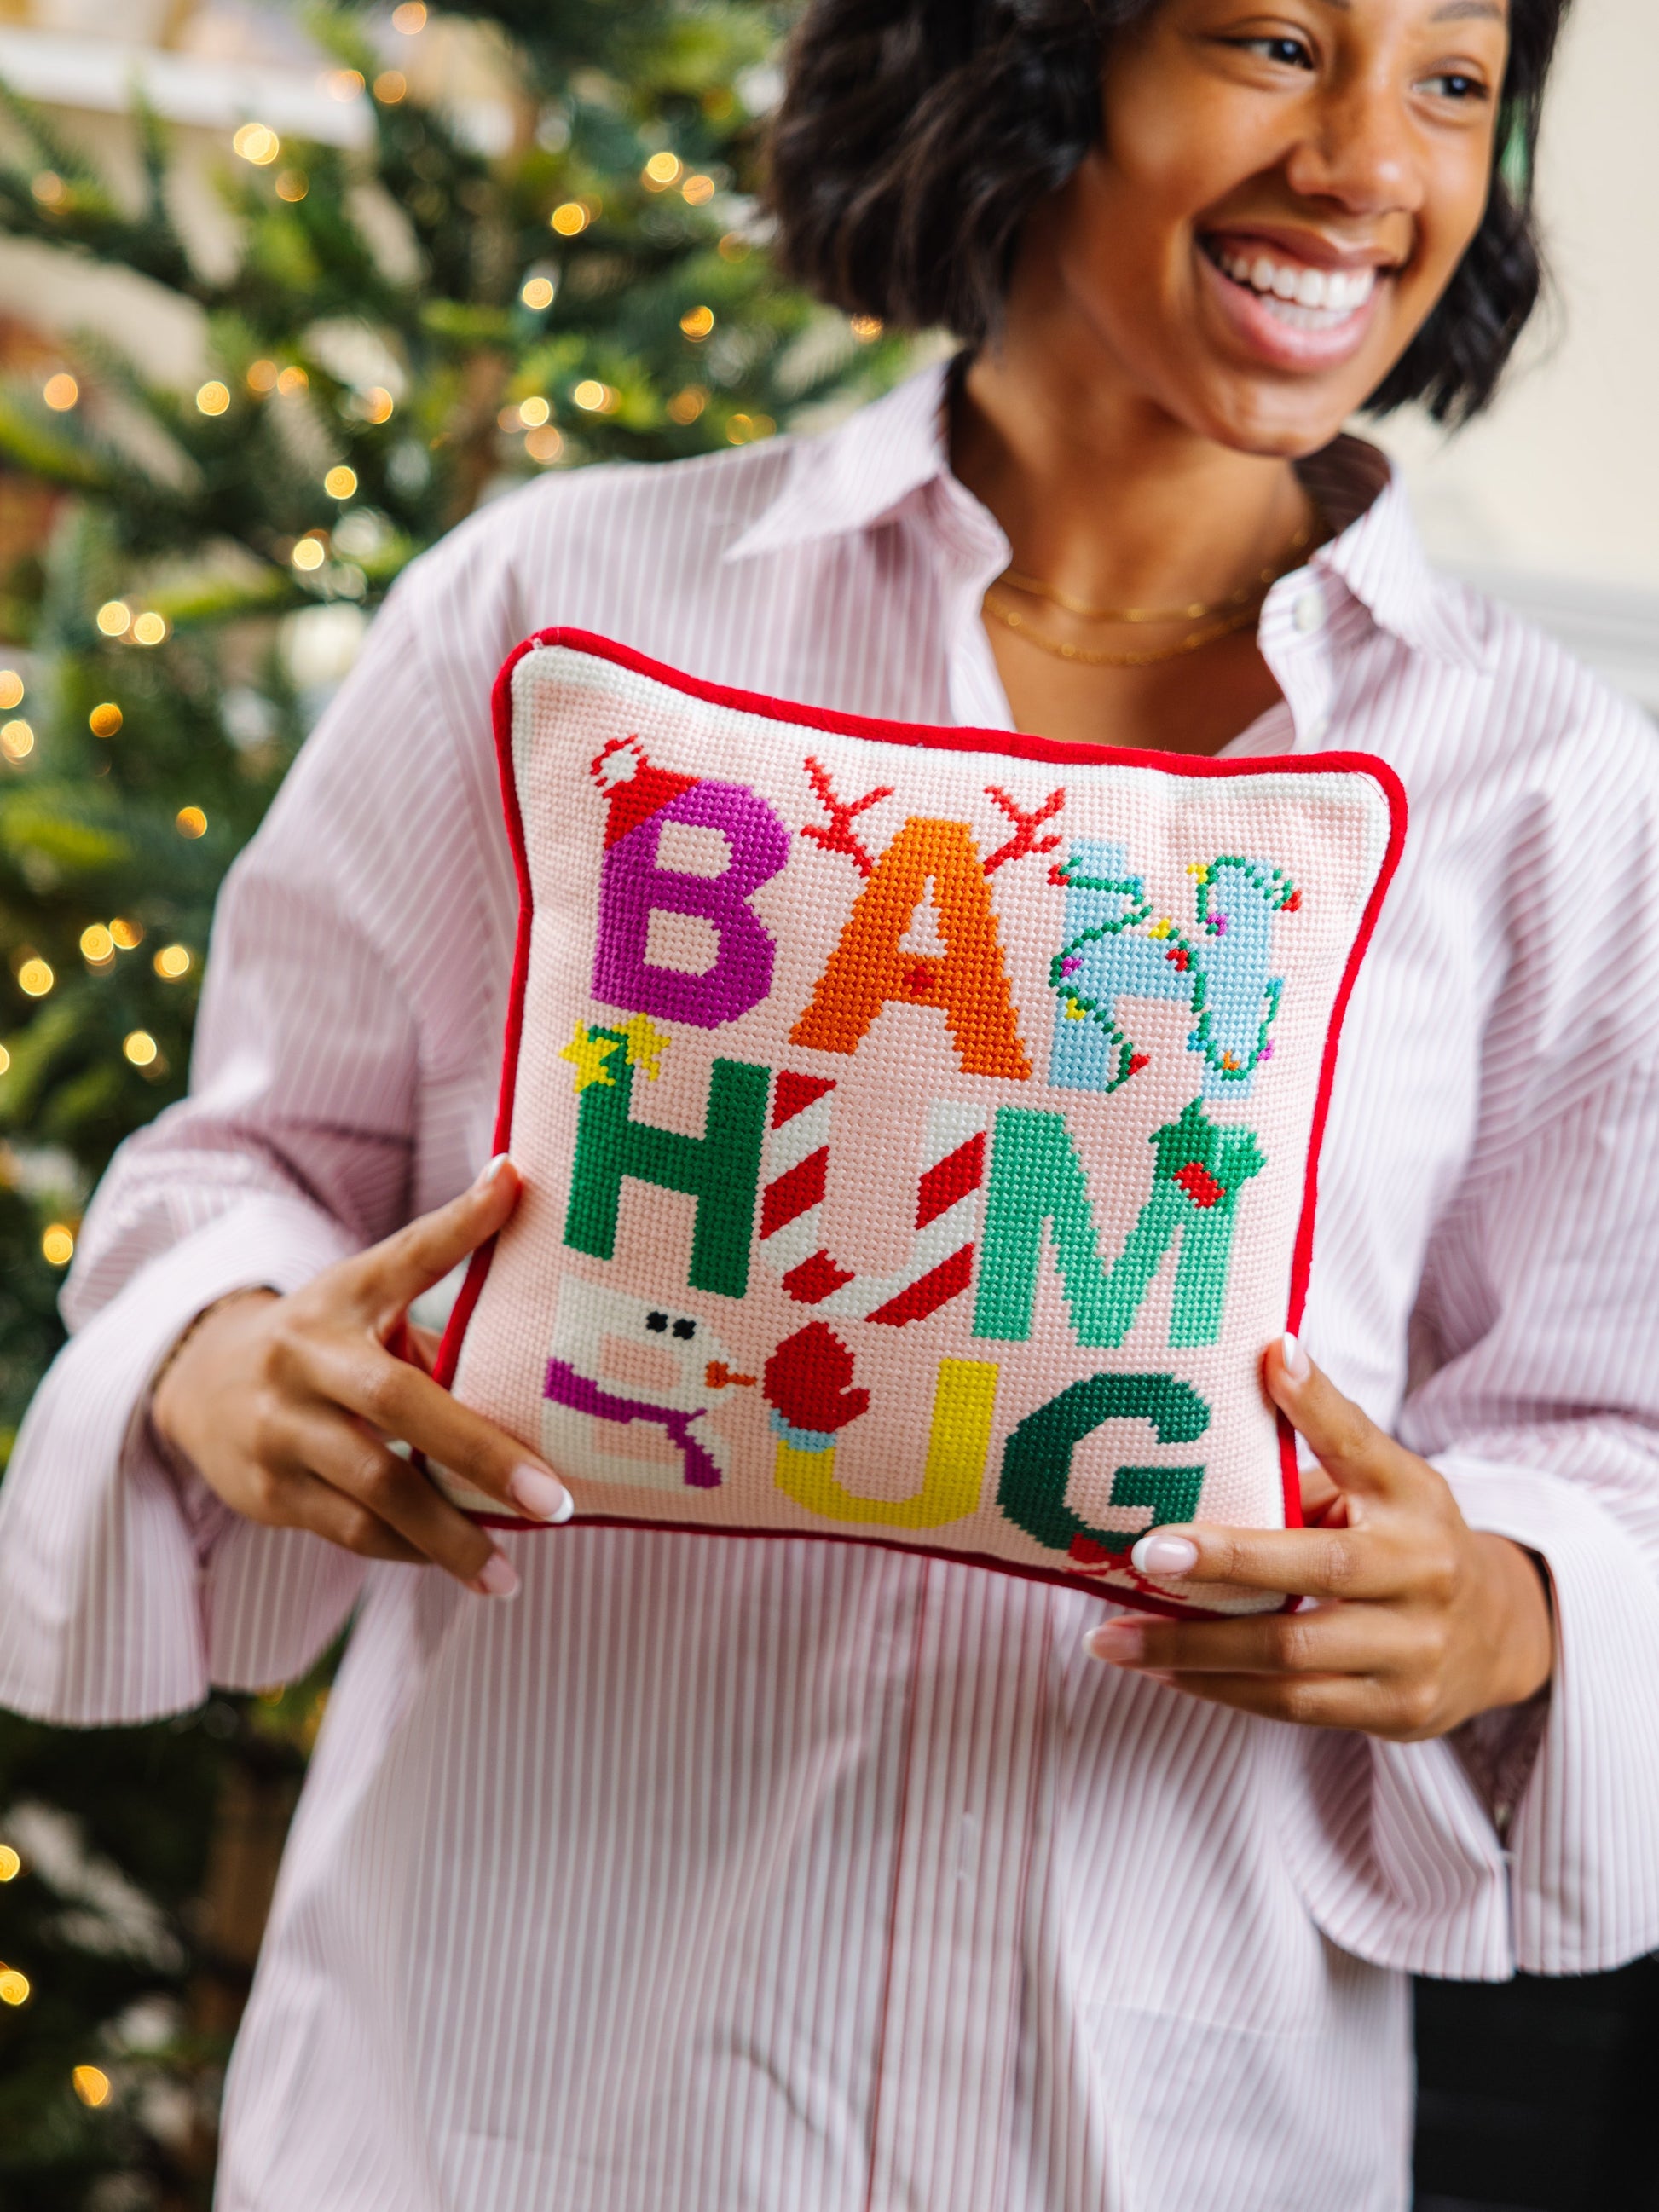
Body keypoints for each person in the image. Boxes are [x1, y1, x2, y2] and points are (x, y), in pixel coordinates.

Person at [3, 0, 1656, 2204]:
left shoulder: (1538, 783)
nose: (1371, 161)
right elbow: (251, 1165)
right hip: (509, 2074)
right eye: (1272, 41)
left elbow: (1608, 1411)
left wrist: (1512, 1601)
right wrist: (222, 1353)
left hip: (1139, 2114)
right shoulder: (563, 605)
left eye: (1451, 79)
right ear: (1029, 62)